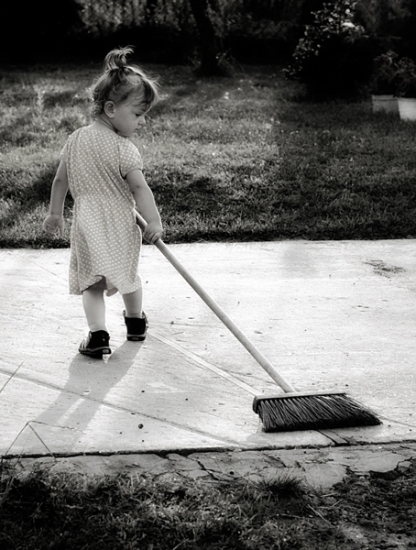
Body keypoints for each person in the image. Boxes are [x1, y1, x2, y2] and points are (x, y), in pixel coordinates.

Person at [43, 46, 163, 358]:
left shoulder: (75, 140)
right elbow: (140, 189)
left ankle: (98, 335)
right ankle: (135, 324)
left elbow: (60, 181)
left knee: (92, 283)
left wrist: (55, 214)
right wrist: (153, 221)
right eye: (137, 115)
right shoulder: (125, 149)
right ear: (111, 109)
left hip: (86, 222)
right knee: (127, 275)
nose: (140, 122)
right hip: (121, 222)